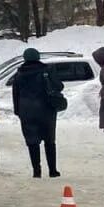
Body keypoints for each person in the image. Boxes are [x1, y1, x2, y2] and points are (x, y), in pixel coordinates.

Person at [11, 48, 63, 178]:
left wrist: (18, 111)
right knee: (49, 140)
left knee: (32, 142)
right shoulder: (47, 70)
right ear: (38, 57)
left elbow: (15, 95)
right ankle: (52, 170)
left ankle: (36, 171)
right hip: (46, 110)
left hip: (27, 111)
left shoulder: (19, 74)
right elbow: (59, 86)